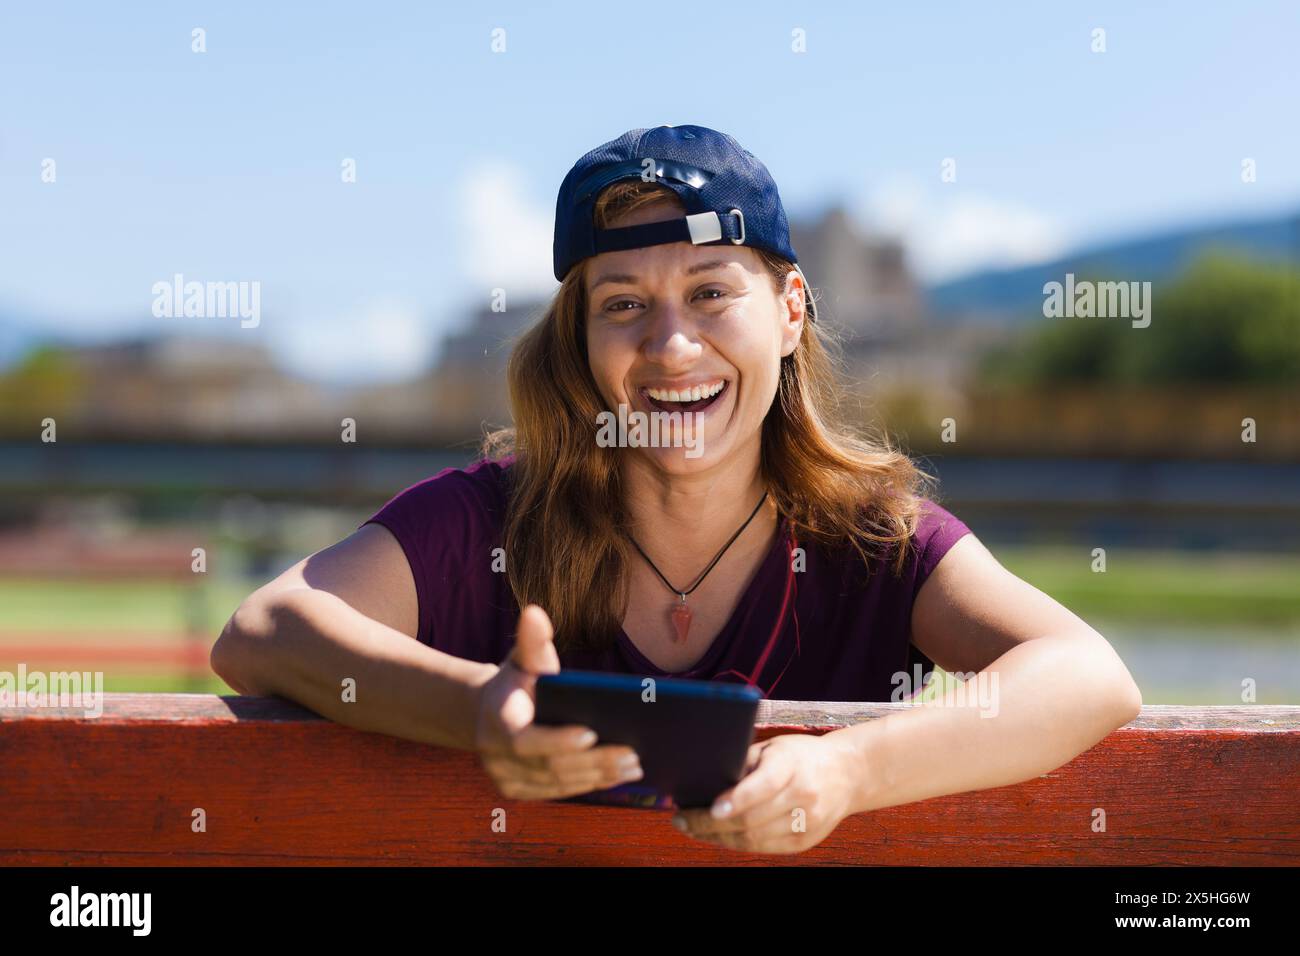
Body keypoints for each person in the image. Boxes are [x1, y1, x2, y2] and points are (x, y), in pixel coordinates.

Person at [211, 124, 1142, 854]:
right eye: (622, 304)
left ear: (787, 311)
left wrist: (850, 771)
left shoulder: (879, 542)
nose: (670, 346)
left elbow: (1087, 675)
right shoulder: (485, 518)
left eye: (709, 293)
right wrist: (484, 713)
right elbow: (262, 631)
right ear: (579, 339)